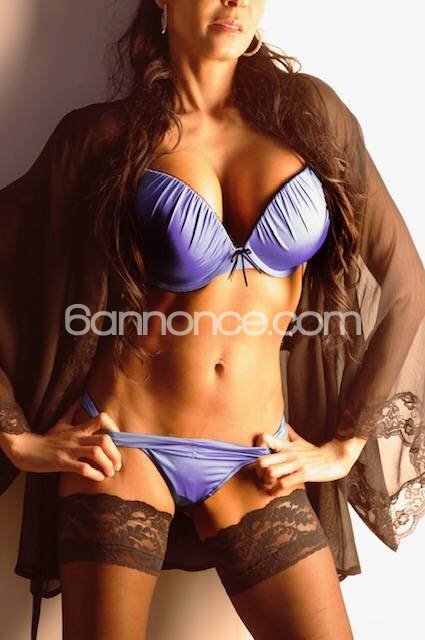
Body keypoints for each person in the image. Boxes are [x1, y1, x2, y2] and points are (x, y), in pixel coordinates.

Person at [1, 1, 424, 639]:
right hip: (122, 450)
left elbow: (405, 286)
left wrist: (346, 443)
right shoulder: (103, 136)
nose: (234, 1)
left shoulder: (311, 119)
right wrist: (16, 435)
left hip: (257, 455)